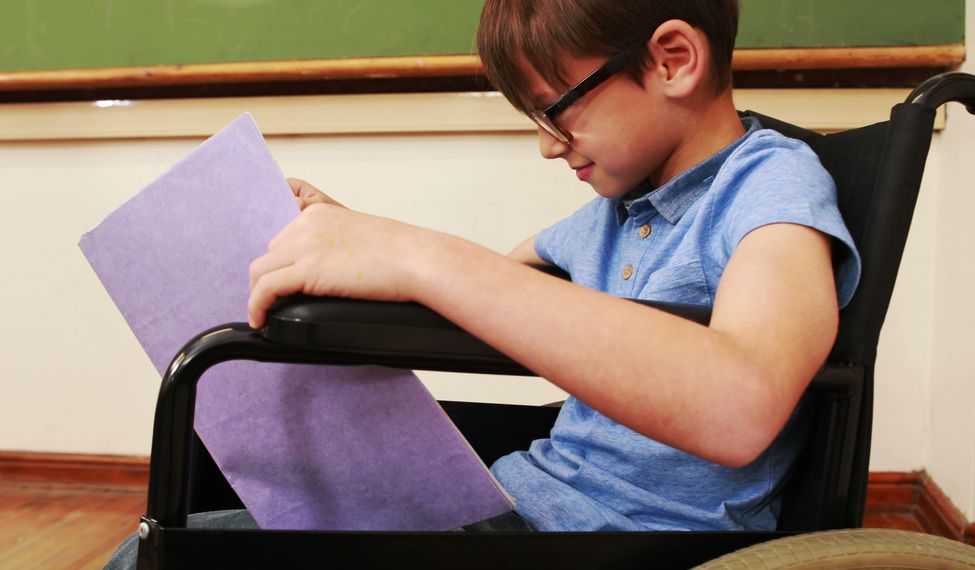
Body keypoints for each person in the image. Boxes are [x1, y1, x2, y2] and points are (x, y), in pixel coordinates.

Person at [107, 0, 860, 565]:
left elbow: (742, 402)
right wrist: (361, 237)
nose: (545, 145)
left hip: (614, 539)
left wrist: (422, 257)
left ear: (672, 60)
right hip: (519, 502)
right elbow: (495, 291)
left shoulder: (773, 188)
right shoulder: (618, 212)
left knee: (163, 555)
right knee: (174, 532)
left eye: (557, 111)